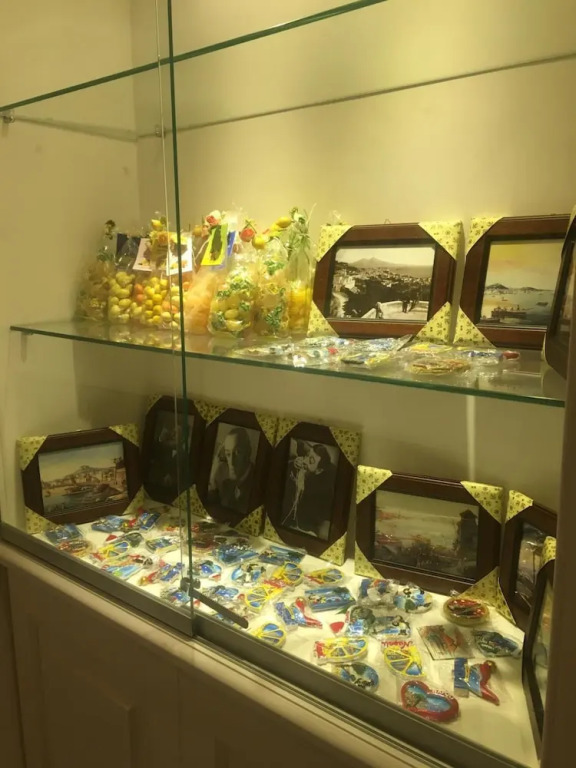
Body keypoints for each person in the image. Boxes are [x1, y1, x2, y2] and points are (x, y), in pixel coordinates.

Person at [281, 442, 337, 539]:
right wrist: (293, 464)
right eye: (307, 455)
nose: (305, 461)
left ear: (319, 471)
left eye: (311, 461)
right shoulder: (295, 465)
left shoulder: (320, 492)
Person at [208, 427, 255, 513]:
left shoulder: (257, 484)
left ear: (248, 452)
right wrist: (212, 479)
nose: (231, 462)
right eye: (228, 454)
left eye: (237, 452)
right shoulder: (226, 486)